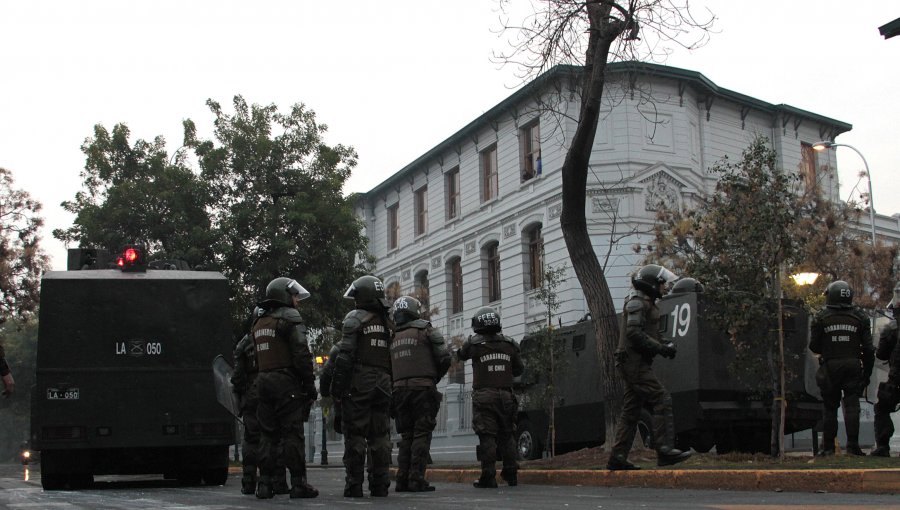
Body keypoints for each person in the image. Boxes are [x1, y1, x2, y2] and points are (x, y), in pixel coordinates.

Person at [607, 264, 691, 471]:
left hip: (636, 363)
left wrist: (665, 344)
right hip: (634, 364)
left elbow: (648, 334)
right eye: (662, 284)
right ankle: (664, 451)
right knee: (662, 398)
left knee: (631, 411)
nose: (665, 288)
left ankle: (617, 457)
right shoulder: (637, 302)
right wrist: (662, 348)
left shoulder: (647, 303)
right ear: (651, 284)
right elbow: (634, 334)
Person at [251, 277, 319, 499]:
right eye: (294, 296)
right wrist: (309, 385)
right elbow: (301, 353)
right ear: (284, 296)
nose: (297, 300)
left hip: (263, 382)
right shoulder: (289, 318)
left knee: (267, 435)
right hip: (285, 382)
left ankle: (264, 484)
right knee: (292, 435)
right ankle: (298, 484)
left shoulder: (259, 322)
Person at [331, 275, 394, 498]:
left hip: (360, 381)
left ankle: (354, 485)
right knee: (380, 436)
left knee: (356, 434)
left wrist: (337, 389)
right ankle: (380, 485)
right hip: (383, 382)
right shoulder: (388, 322)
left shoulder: (355, 319)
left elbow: (345, 356)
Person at [457, 306, 524, 489]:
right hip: (506, 395)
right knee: (508, 434)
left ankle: (489, 476)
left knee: (487, 437)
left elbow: (460, 355)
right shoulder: (510, 344)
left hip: (484, 396)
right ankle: (511, 474)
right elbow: (519, 369)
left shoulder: (474, 344)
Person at [390, 296, 450, 492]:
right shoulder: (426, 330)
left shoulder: (392, 336)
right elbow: (444, 358)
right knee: (421, 434)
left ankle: (402, 479)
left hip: (399, 391)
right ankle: (416, 478)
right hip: (422, 390)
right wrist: (433, 378)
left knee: (406, 436)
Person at [809, 280, 874, 457]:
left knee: (830, 406)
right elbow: (868, 349)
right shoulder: (861, 317)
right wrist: (866, 374)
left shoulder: (821, 317)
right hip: (853, 365)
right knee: (852, 406)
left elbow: (814, 346)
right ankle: (853, 446)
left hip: (830, 366)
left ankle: (828, 447)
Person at [871, 281, 900, 457]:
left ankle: (883, 446)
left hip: (897, 379)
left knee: (882, 408)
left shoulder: (892, 328)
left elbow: (881, 355)